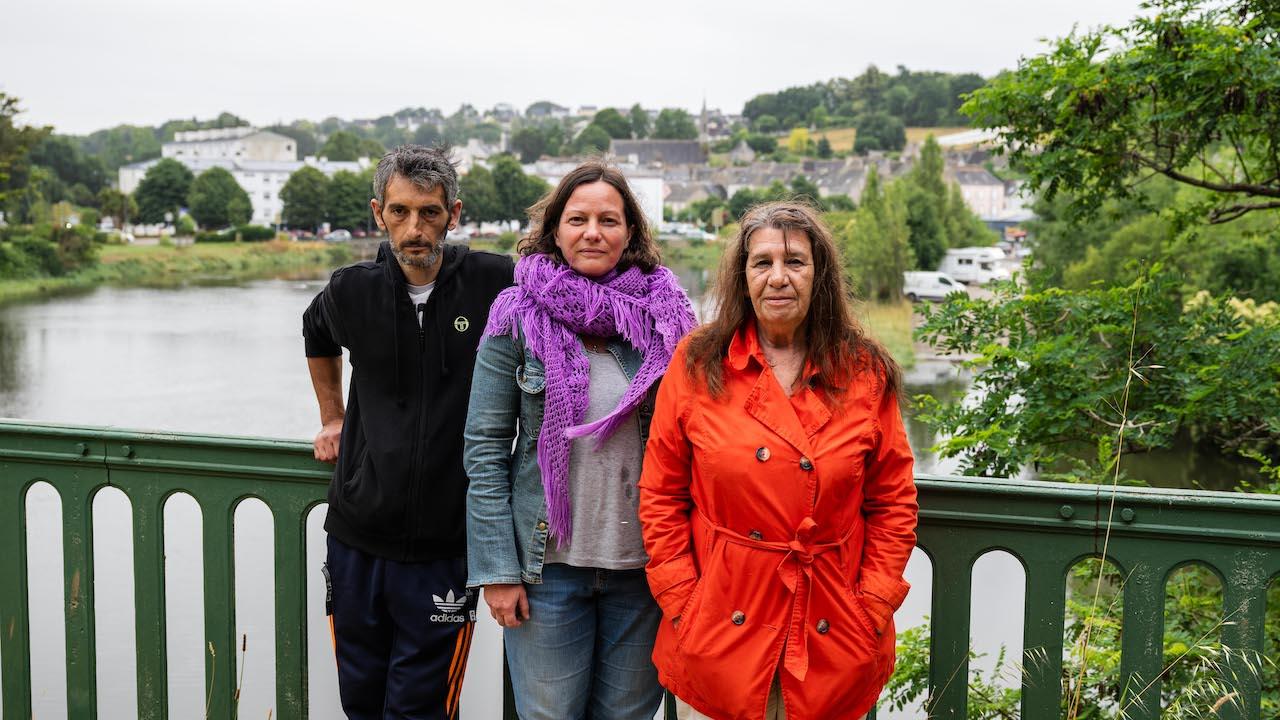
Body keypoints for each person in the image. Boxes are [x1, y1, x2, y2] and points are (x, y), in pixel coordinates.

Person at [638, 201, 918, 720]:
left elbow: (894, 503)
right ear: (742, 277)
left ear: (820, 275)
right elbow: (661, 493)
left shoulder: (864, 370)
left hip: (832, 629)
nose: (778, 278)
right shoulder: (699, 362)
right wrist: (682, 600)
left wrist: (872, 605)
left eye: (795, 262)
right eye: (762, 262)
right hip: (719, 626)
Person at [464, 160, 697, 720]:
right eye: (578, 219)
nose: (593, 232)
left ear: (630, 232)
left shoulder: (668, 319)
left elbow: (700, 442)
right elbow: (485, 449)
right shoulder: (515, 316)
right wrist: (498, 572)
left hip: (644, 570)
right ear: (555, 230)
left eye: (608, 220)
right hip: (547, 570)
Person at [302, 144, 513, 719]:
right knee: (361, 702)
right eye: (399, 211)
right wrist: (332, 417)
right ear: (379, 213)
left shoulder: (496, 283)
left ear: (454, 214)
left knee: (421, 709)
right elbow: (315, 332)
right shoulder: (352, 290)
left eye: (429, 212)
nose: (415, 229)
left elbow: (575, 295)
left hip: (447, 547)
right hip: (356, 539)